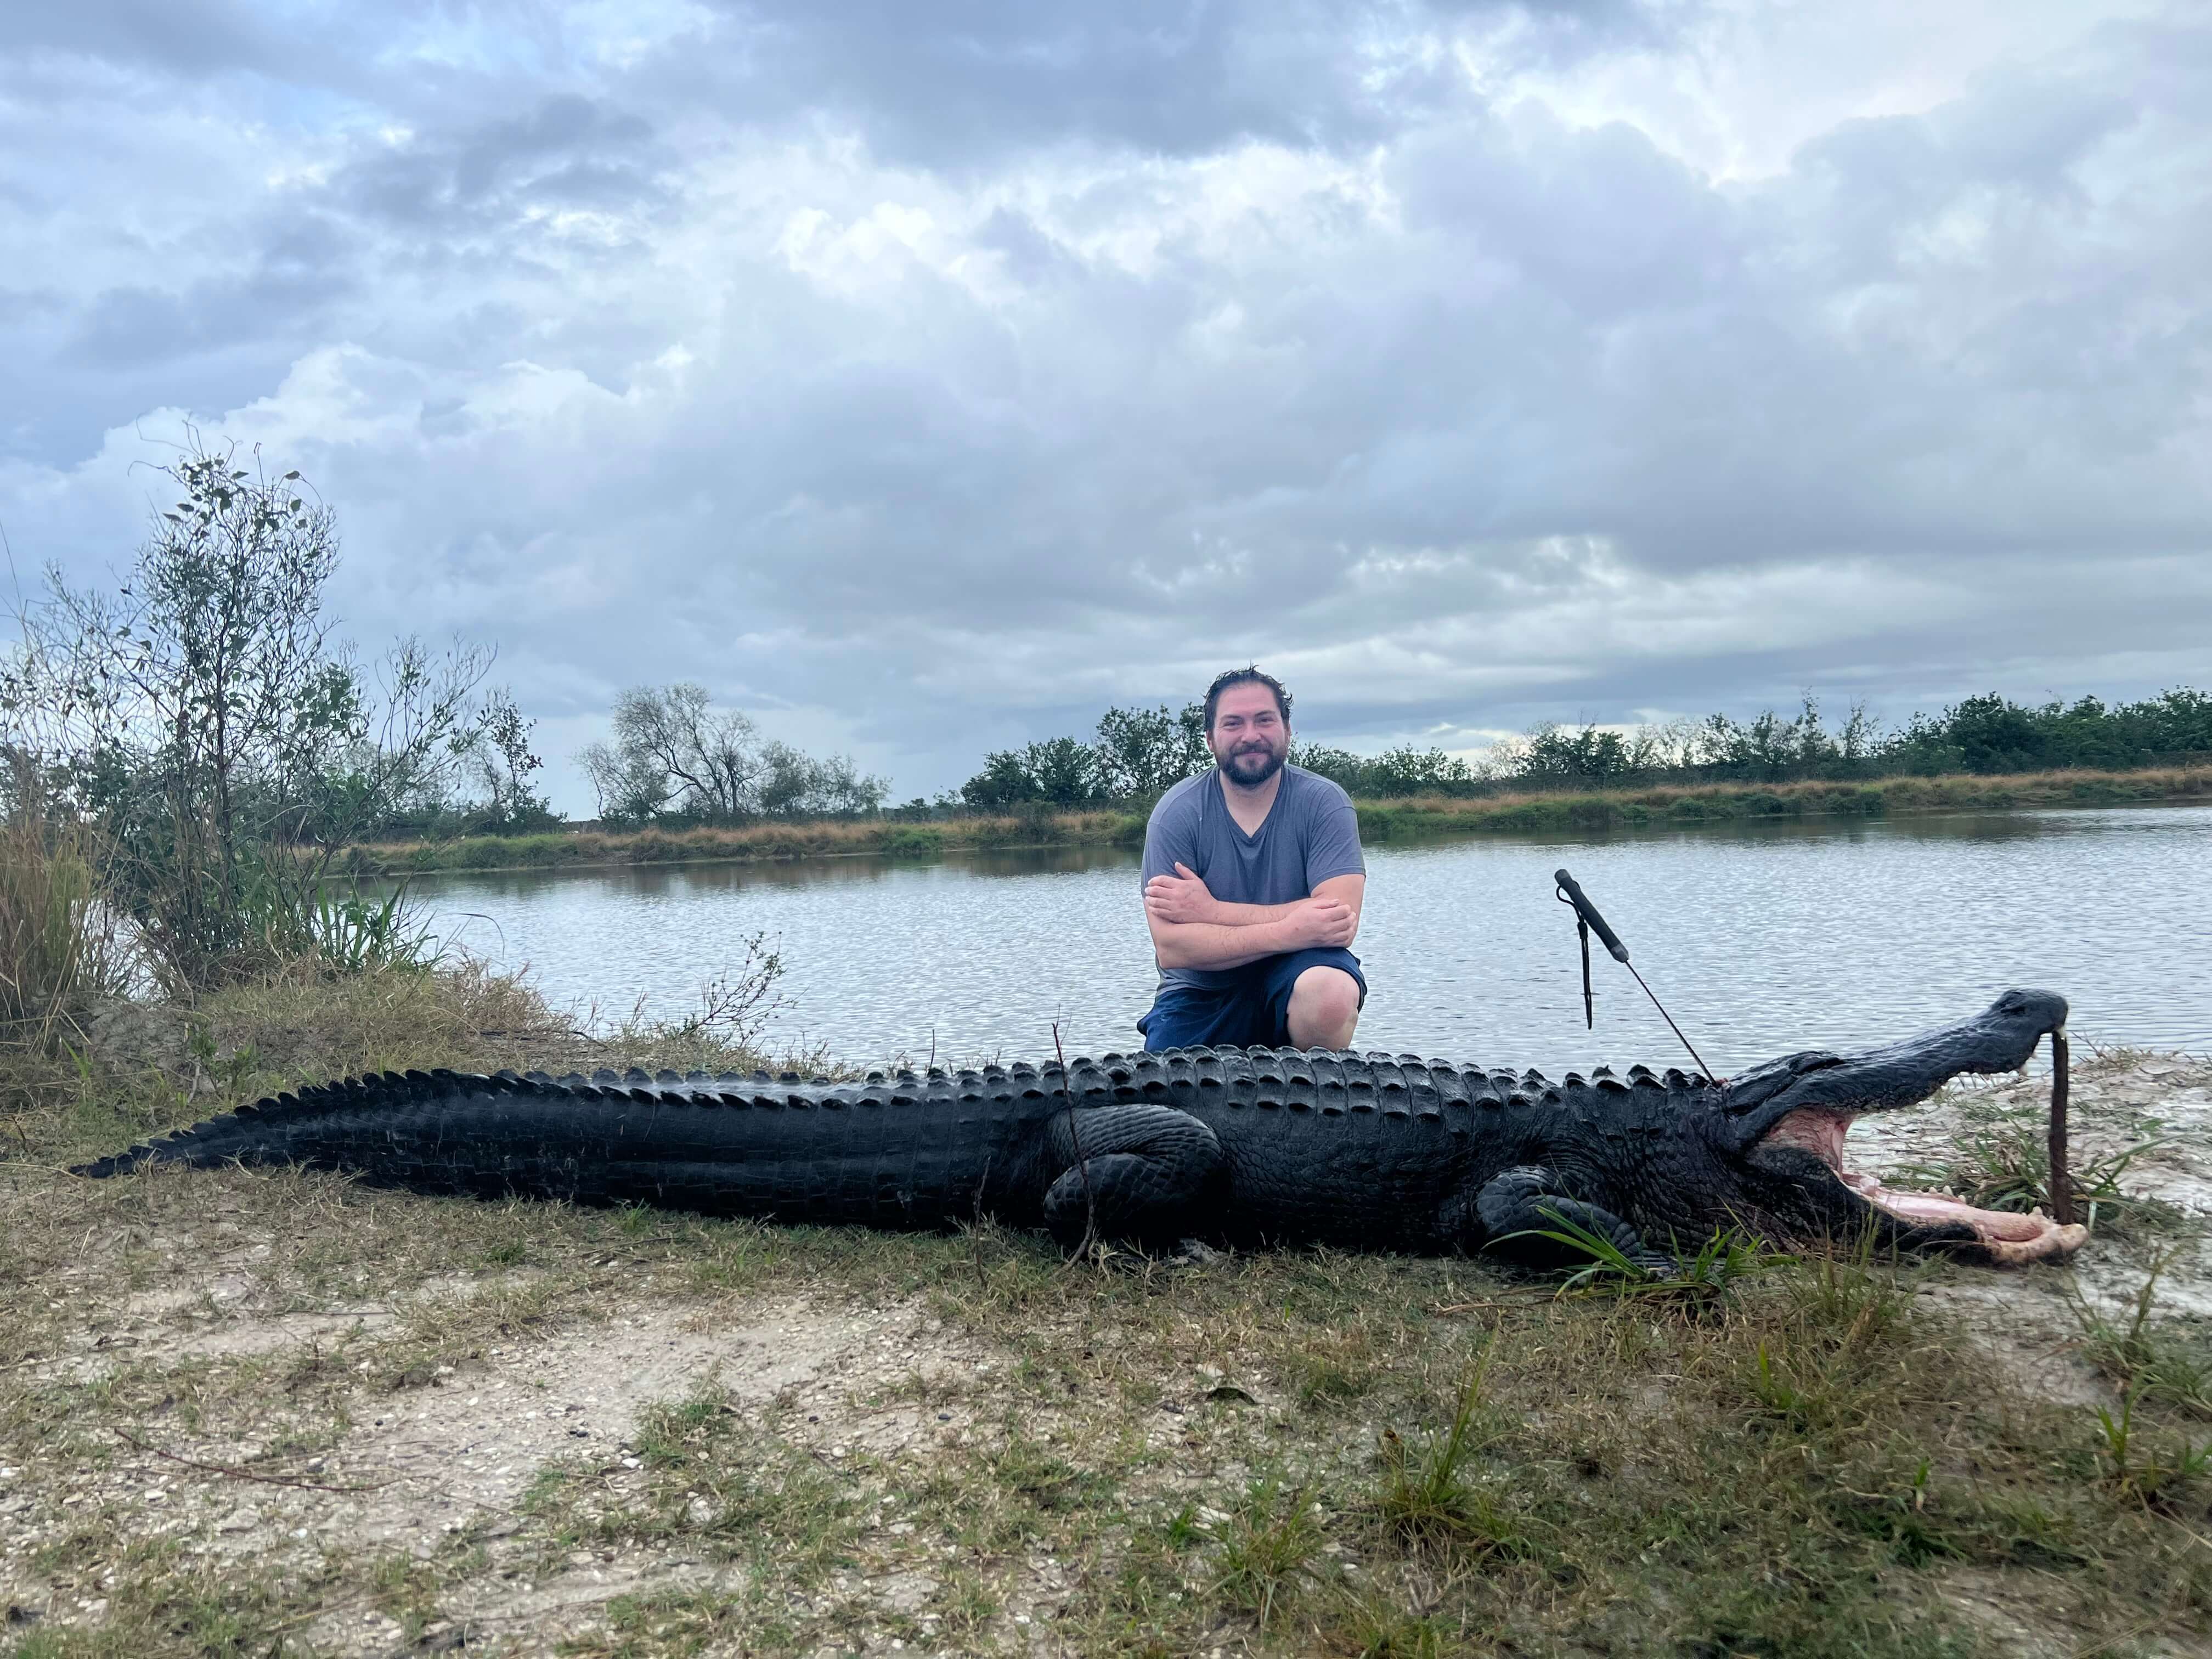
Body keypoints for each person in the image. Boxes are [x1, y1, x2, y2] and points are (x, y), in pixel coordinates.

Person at [1136, 666, 1367, 1052]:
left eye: (1264, 720)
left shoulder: (1325, 802)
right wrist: (1293, 928)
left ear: (1287, 729)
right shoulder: (1175, 813)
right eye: (1233, 724)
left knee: (1331, 992)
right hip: (1200, 990)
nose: (1250, 736)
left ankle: (1314, 1103)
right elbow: (1174, 948)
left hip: (1298, 973)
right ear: (1209, 739)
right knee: (1157, 1104)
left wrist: (1210, 910)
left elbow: (1337, 923)